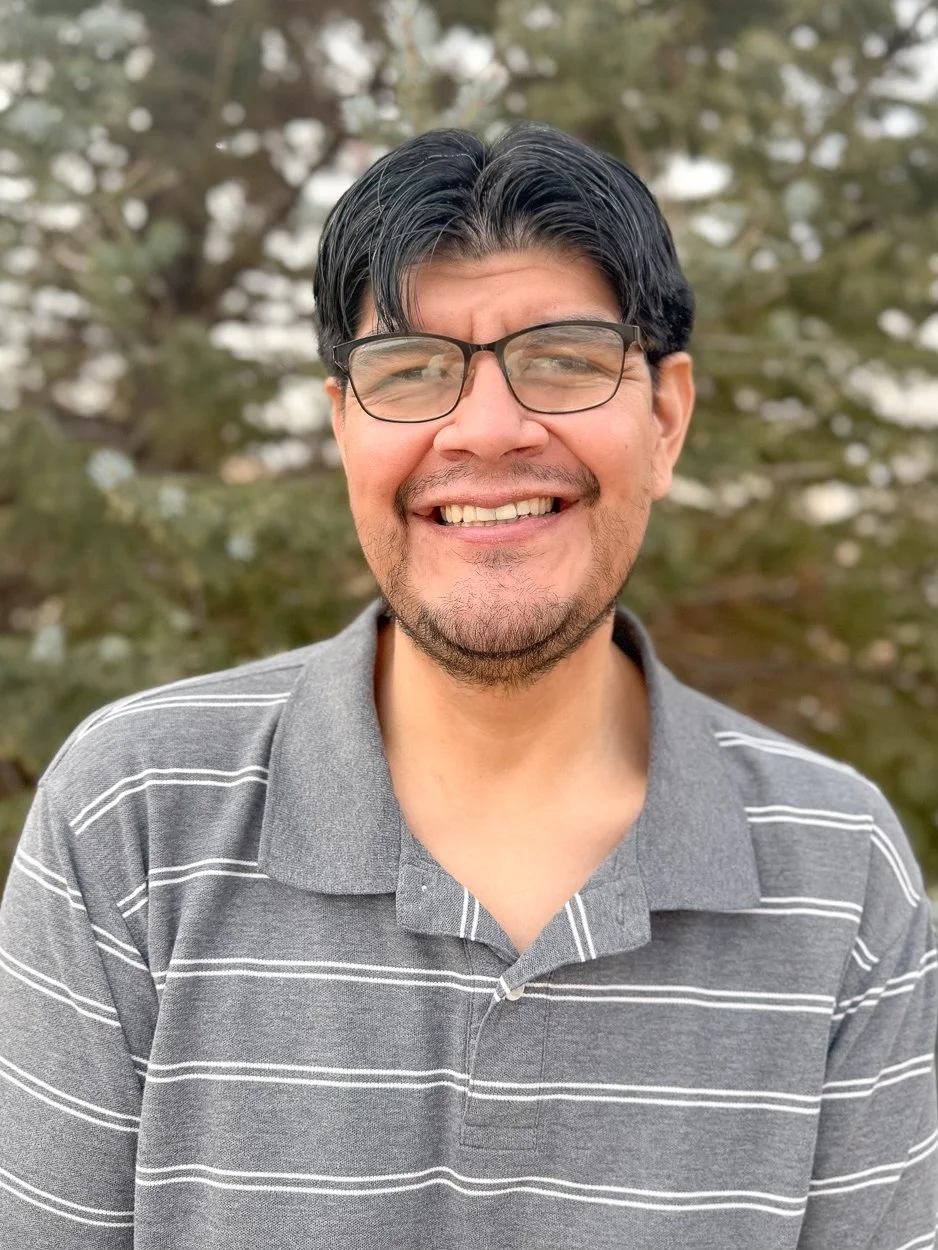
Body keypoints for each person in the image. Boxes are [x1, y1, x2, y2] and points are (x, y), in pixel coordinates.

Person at [0, 123, 935, 1250]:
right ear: (343, 427)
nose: (486, 430)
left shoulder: (839, 875)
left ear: (665, 417)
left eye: (565, 358)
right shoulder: (134, 817)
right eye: (409, 371)